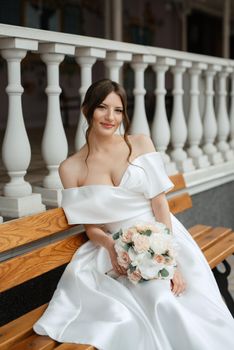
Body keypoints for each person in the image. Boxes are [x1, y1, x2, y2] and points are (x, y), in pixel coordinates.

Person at [34, 79, 234, 350]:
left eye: (118, 110)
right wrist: (113, 247)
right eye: (102, 108)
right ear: (87, 110)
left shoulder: (140, 143)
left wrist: (169, 259)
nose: (110, 117)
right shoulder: (71, 168)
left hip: (164, 237)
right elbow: (92, 229)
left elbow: (160, 206)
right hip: (115, 249)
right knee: (159, 300)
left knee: (180, 298)